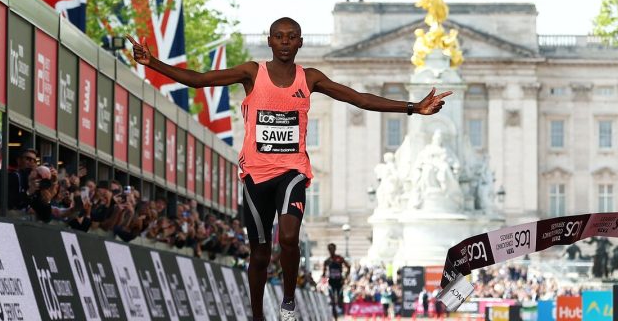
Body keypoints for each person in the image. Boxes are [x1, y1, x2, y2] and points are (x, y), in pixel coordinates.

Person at [128, 17, 451, 321]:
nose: (285, 42)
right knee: (259, 253)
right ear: (270, 41)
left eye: (291, 37)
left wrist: (412, 107)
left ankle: (288, 301)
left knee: (288, 236)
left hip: (292, 171)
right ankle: (257, 314)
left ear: (300, 42)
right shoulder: (252, 73)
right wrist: (152, 62)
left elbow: (358, 99)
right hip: (256, 175)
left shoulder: (309, 78)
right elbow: (199, 80)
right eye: (279, 37)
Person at [322, 243, 350, 318]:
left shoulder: (339, 258)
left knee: (340, 300)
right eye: (330, 249)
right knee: (332, 301)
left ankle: (342, 314)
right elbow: (323, 273)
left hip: (339, 282)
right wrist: (324, 276)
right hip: (331, 282)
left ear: (335, 249)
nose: (331, 250)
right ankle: (335, 318)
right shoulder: (327, 261)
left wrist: (345, 277)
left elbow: (348, 267)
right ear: (328, 250)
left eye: (332, 249)